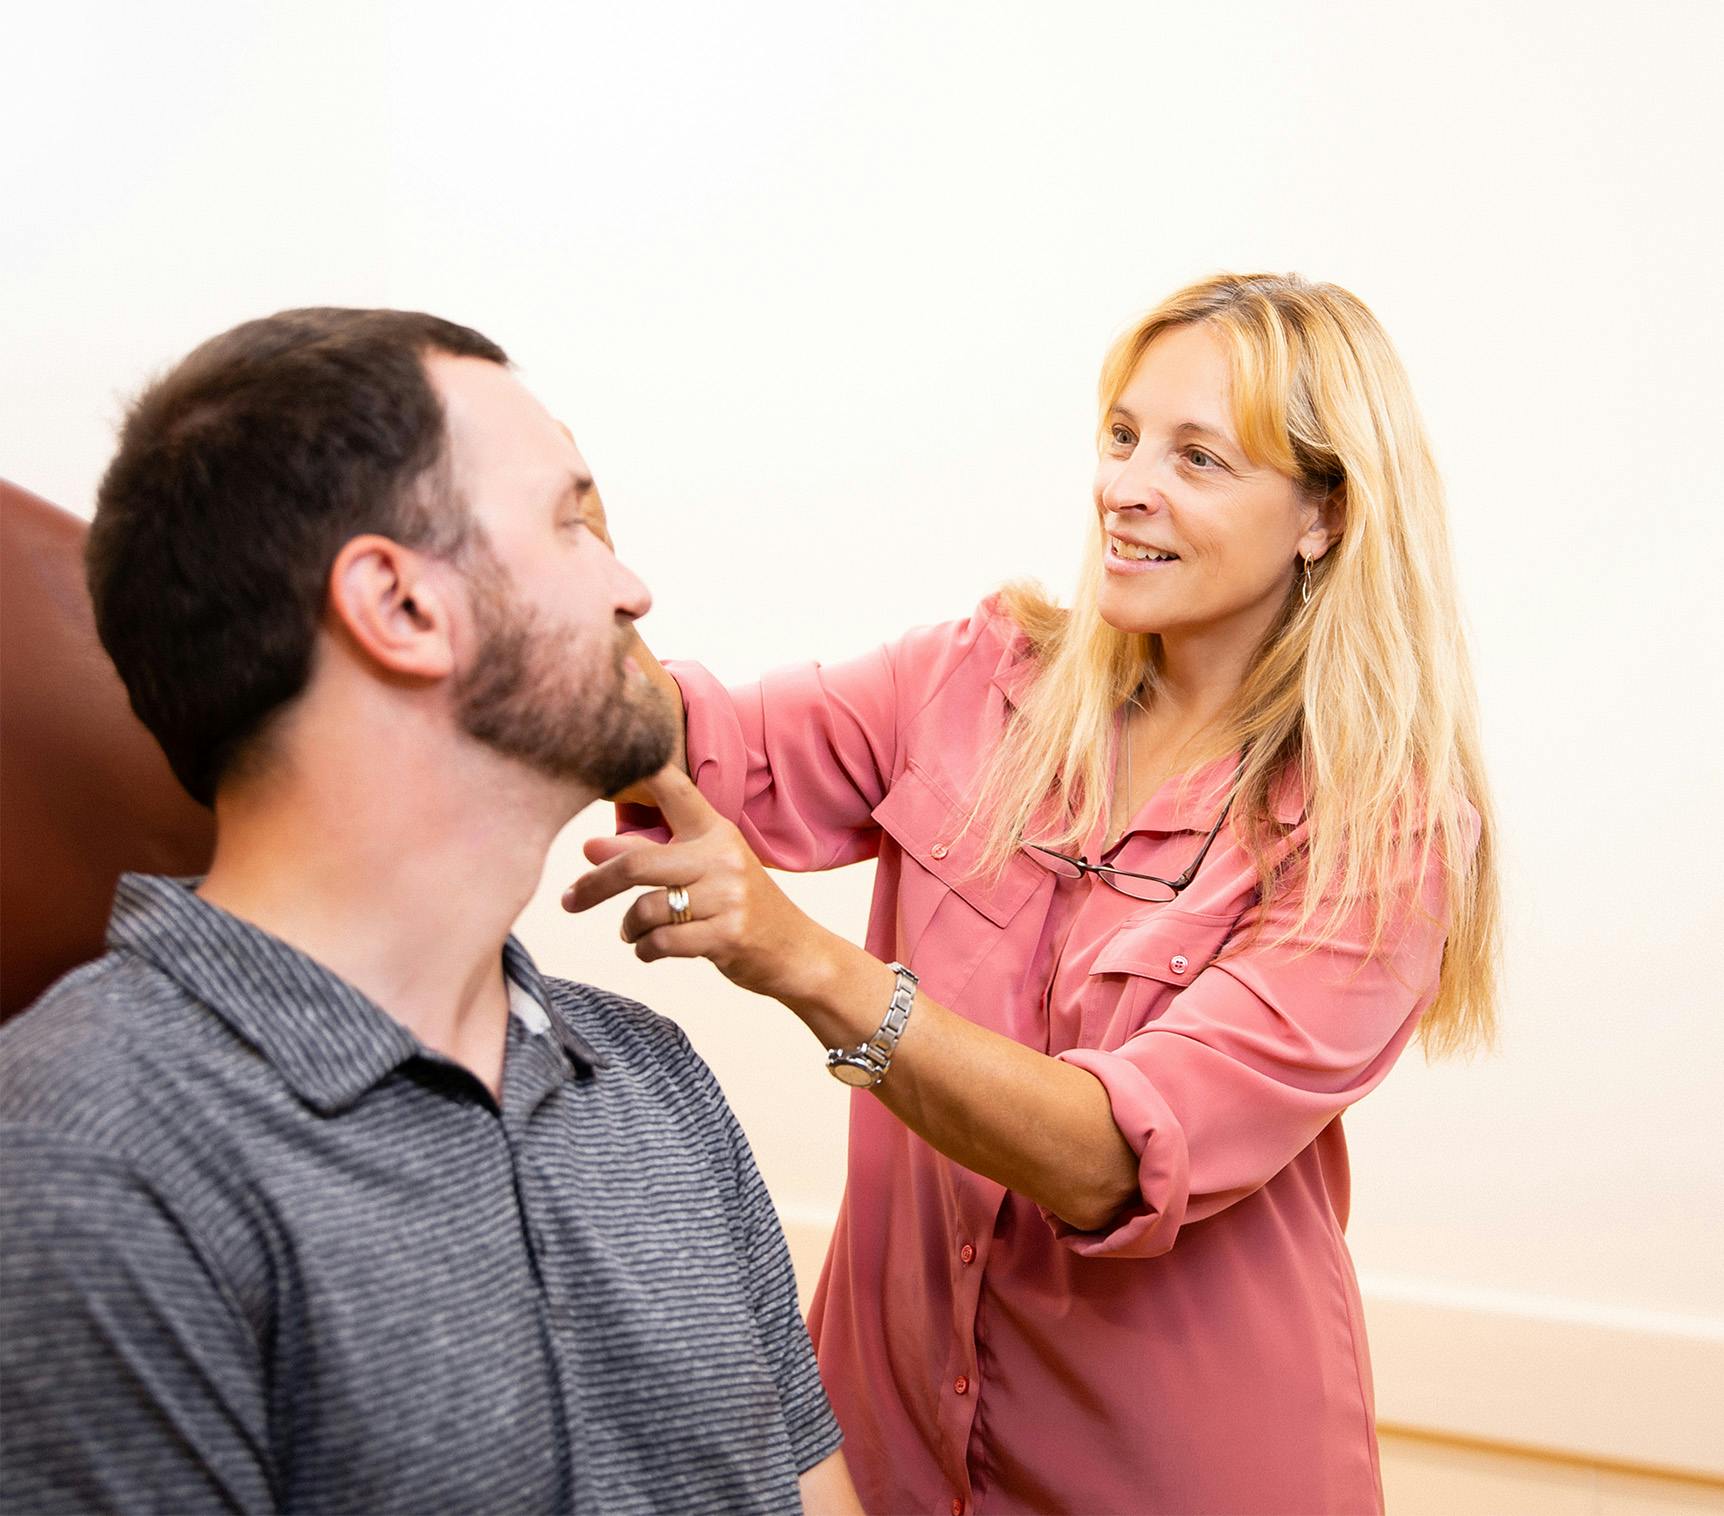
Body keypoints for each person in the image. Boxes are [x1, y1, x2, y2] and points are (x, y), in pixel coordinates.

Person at [566, 273, 1501, 1515]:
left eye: (1199, 458)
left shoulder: (1382, 836)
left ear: (1321, 514)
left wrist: (809, 963)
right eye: (1121, 436)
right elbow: (690, 740)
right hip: (884, 1451)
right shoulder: (976, 677)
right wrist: (562, 565)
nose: (1124, 486)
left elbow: (1114, 1158)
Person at [0, 308, 860, 1516]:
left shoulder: (654, 1080)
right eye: (572, 522)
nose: (633, 587)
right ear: (398, 606)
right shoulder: (88, 1158)